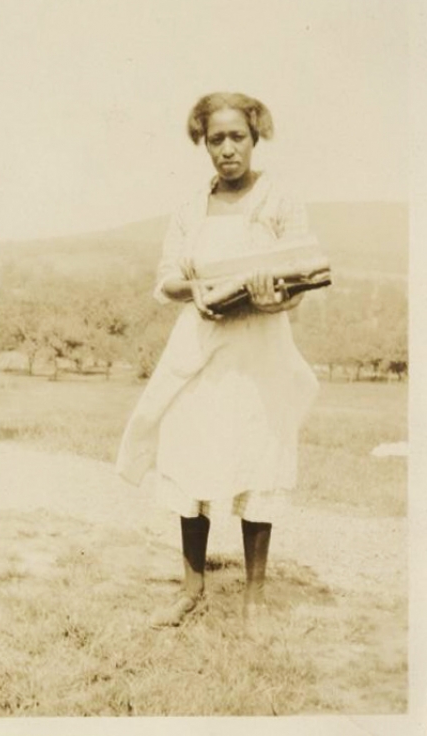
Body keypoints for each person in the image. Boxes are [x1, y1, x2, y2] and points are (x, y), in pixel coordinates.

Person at [116, 92, 319, 642]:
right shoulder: (188, 209)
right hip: (201, 344)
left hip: (261, 348)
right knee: (190, 455)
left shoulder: (279, 200)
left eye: (237, 138)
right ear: (202, 144)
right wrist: (200, 287)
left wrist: (273, 293)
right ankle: (191, 589)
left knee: (258, 458)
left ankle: (254, 599)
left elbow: (302, 274)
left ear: (256, 138)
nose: (227, 149)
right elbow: (165, 280)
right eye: (215, 140)